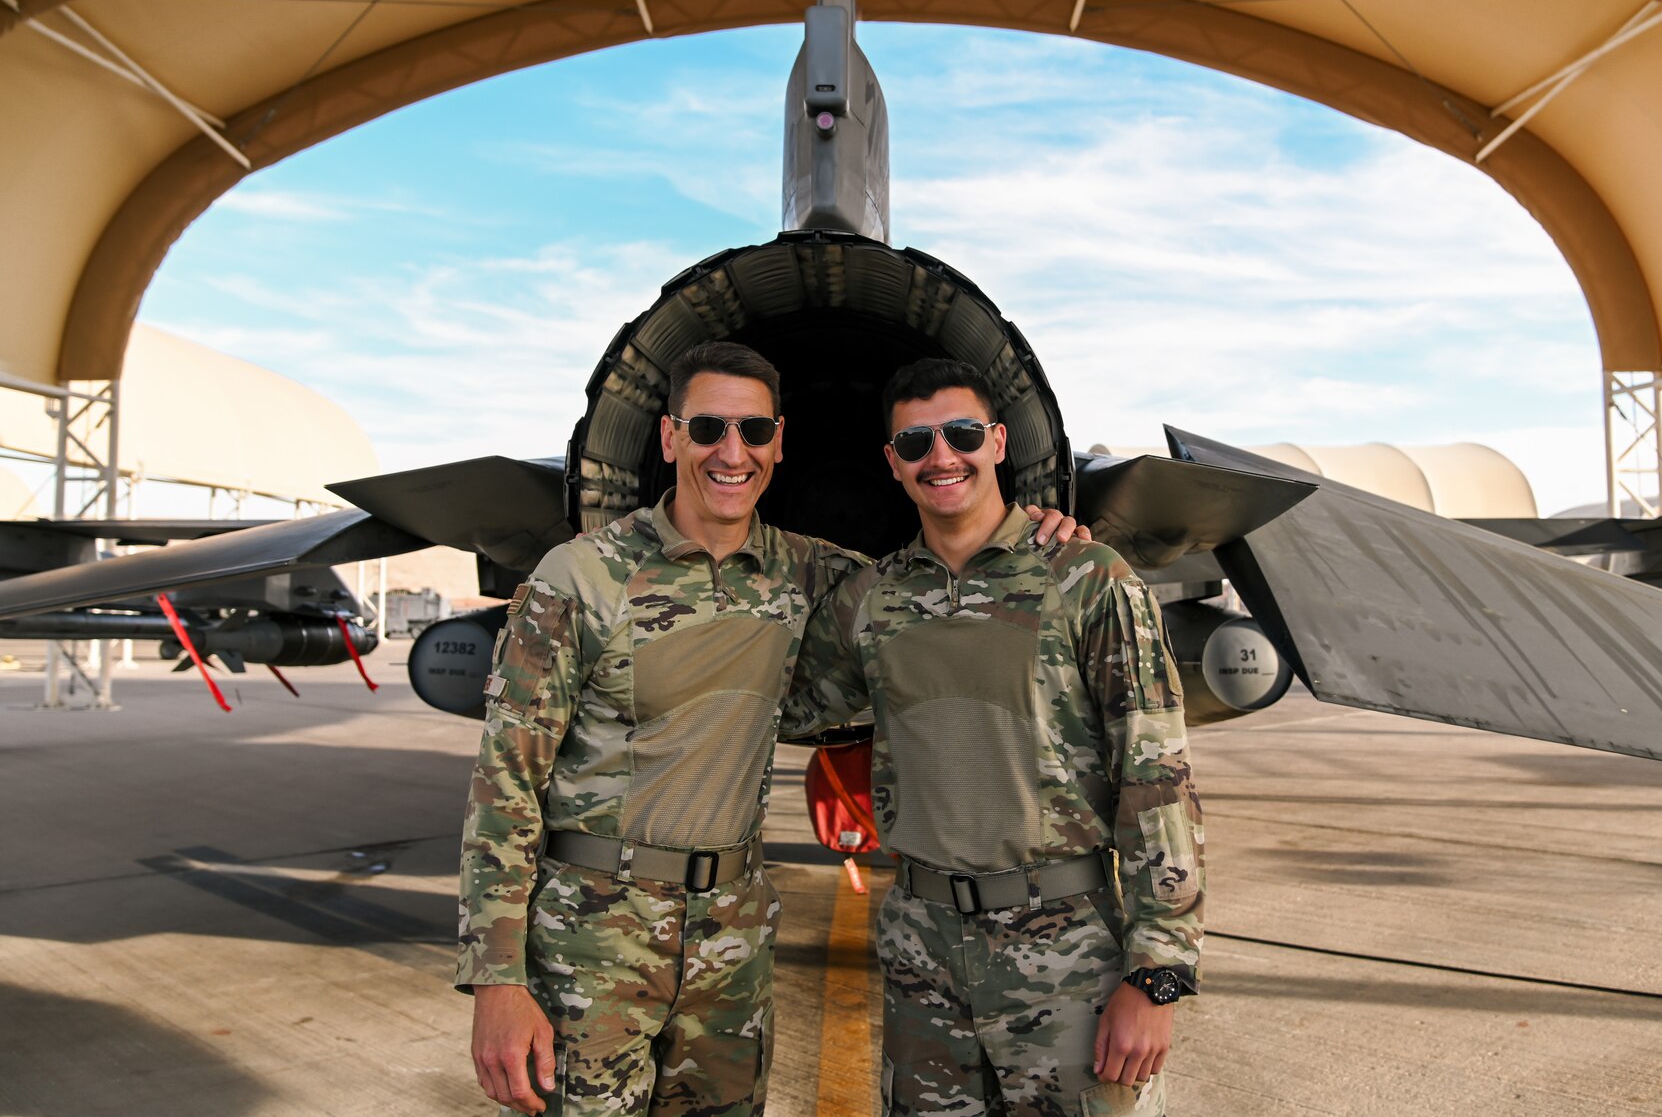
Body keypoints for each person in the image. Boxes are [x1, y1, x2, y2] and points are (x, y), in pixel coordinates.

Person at [458, 341, 1081, 1115]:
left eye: (754, 432)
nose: (732, 452)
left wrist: (1035, 539)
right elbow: (507, 778)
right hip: (591, 940)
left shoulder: (808, 570)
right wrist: (497, 978)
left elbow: (937, 579)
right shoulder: (584, 576)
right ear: (668, 438)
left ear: (780, 443)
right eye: (709, 428)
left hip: (732, 944)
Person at [784, 357, 1204, 1117]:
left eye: (962, 434)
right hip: (922, 956)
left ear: (999, 441)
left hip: (1066, 952)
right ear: (892, 463)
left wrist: (1159, 972)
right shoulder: (873, 600)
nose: (941, 457)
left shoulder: (1087, 580)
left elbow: (1157, 776)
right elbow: (778, 702)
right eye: (915, 444)